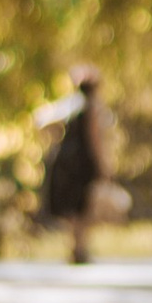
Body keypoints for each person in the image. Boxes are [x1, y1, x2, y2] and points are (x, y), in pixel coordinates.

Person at [39, 70, 119, 264]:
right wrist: (103, 164)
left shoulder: (69, 105)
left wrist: (56, 139)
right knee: (83, 206)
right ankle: (79, 247)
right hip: (82, 162)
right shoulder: (91, 107)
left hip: (66, 161)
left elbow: (42, 121)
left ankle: (77, 247)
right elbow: (95, 138)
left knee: (75, 208)